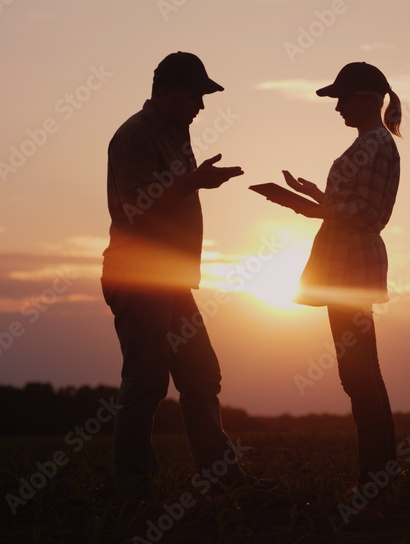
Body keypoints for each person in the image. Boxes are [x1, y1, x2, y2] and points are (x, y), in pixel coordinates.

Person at [254, 61, 402, 501]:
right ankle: (381, 474)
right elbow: (353, 205)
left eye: (342, 98)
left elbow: (371, 214)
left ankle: (376, 478)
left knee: (358, 375)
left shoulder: (377, 146)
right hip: (343, 264)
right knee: (362, 372)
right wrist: (315, 197)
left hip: (351, 267)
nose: (336, 107)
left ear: (368, 100)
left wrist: (307, 208)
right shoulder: (369, 144)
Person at [101, 52, 246, 498]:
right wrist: (194, 182)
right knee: (146, 382)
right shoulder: (134, 137)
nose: (201, 106)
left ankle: (218, 475)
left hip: (170, 279)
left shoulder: (175, 133)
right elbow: (137, 205)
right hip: (139, 277)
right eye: (193, 95)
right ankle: (135, 487)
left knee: (201, 374)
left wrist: (196, 181)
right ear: (163, 92)